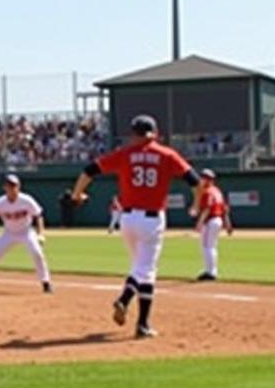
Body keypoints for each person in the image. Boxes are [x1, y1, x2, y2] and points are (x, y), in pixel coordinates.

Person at [70, 114, 203, 339]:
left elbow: (89, 170)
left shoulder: (125, 154)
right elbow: (196, 181)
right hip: (152, 220)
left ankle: (127, 303)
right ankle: (140, 323)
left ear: (133, 134)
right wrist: (196, 204)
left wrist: (77, 194)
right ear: (155, 133)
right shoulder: (167, 154)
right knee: (147, 271)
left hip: (128, 219)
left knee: (138, 268)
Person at [0, 173, 53, 294]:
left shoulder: (26, 200)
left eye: (14, 185)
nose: (12, 188)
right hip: (8, 233)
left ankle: (46, 283)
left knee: (37, 254)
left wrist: (40, 234)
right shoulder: (0, 202)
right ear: (5, 187)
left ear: (18, 187)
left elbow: (38, 216)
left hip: (26, 232)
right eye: (9, 185)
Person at [191, 169, 232, 281]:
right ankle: (211, 270)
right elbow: (224, 209)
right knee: (211, 247)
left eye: (204, 178)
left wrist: (199, 223)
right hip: (217, 220)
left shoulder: (208, 191)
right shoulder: (217, 191)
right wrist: (228, 224)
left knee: (206, 247)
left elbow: (207, 209)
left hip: (210, 221)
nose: (202, 179)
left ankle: (210, 272)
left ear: (209, 180)